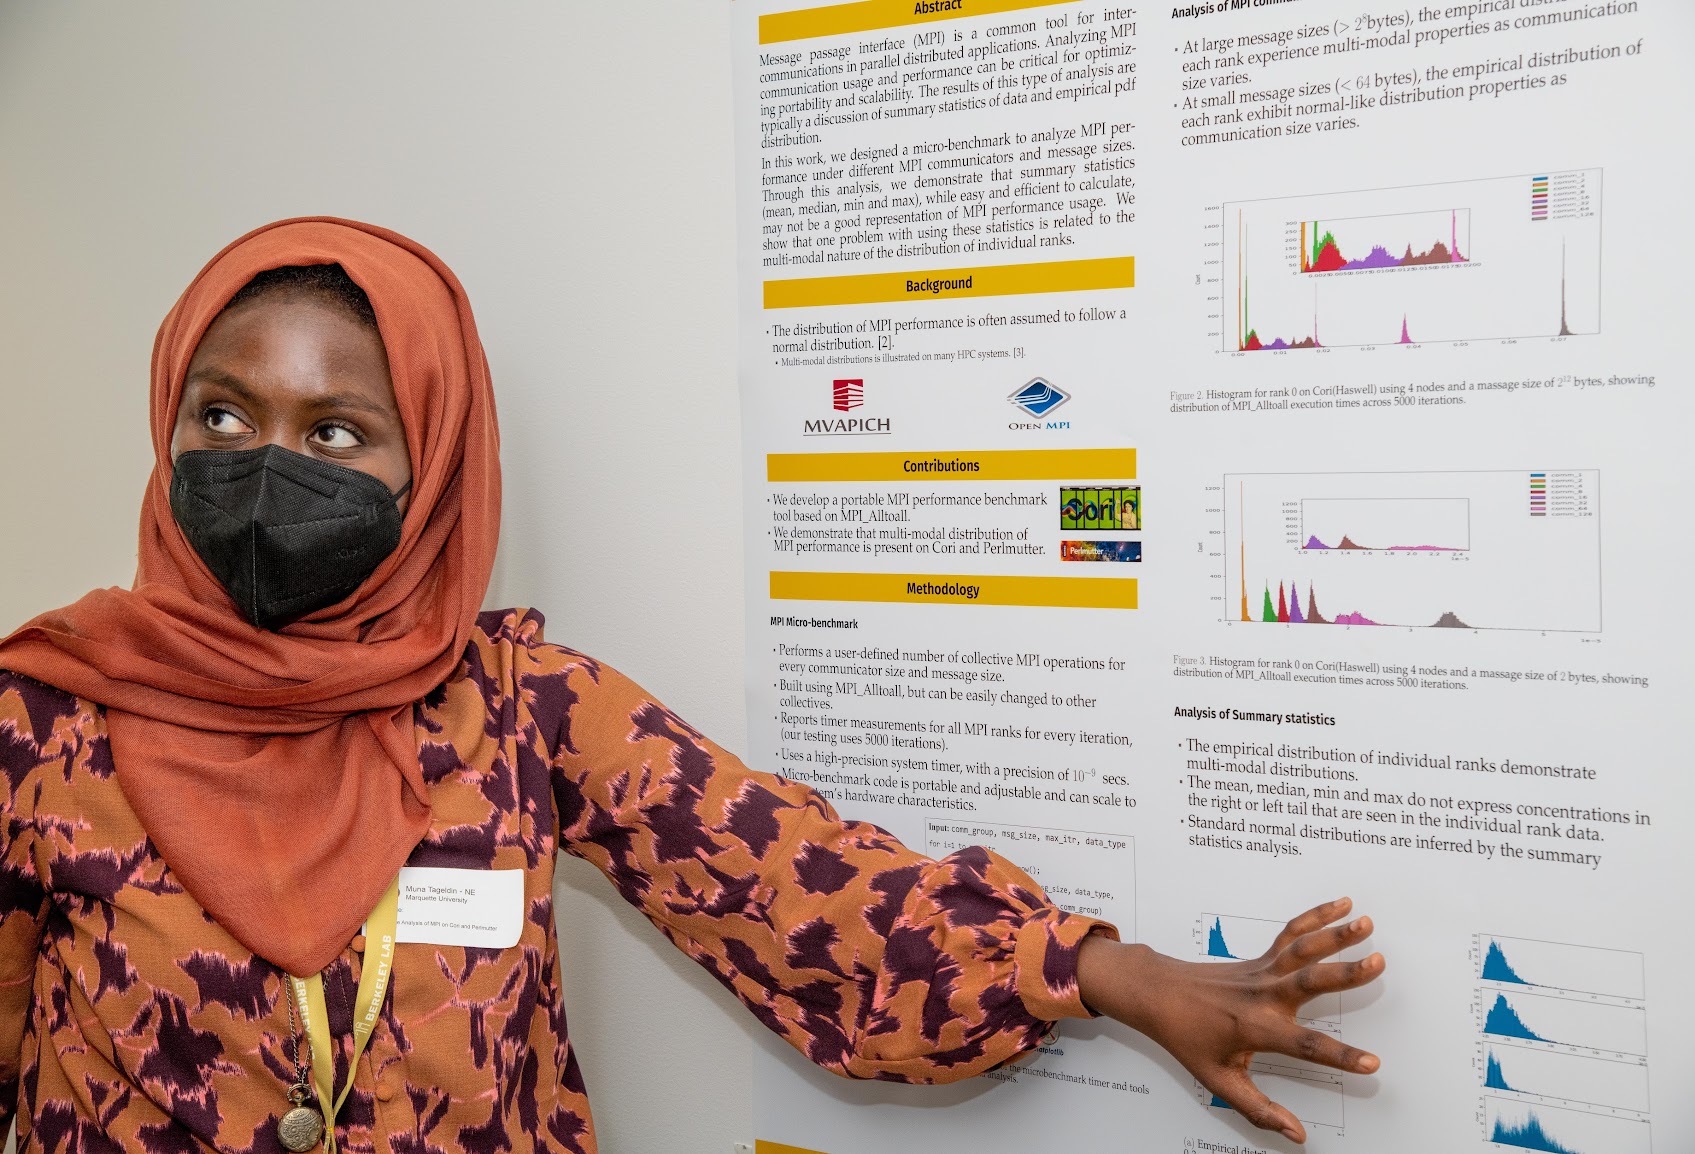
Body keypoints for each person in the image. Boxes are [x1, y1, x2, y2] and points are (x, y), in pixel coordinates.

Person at [0, 219, 1383, 1154]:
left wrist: (1105, 970)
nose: (261, 463)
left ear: (430, 476)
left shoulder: (521, 706)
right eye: (223, 414)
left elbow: (799, 890)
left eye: (339, 430)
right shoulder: (39, 720)